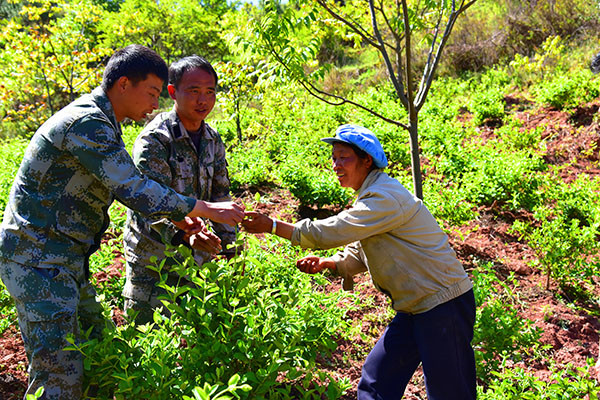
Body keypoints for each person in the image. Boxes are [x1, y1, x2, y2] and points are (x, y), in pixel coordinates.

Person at [0, 45, 244, 400]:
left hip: (65, 260)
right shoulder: (87, 123)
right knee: (60, 374)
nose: (154, 104)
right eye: (151, 93)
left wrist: (186, 219)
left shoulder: (105, 122)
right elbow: (133, 187)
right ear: (124, 84)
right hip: (38, 261)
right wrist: (201, 209)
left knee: (99, 355)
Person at [242, 124, 476, 400]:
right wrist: (331, 263)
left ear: (367, 161)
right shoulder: (371, 197)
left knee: (451, 392)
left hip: (442, 304)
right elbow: (362, 249)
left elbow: (335, 230)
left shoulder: (384, 197)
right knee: (377, 381)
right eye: (334, 158)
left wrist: (272, 225)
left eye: (344, 157)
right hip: (415, 307)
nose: (336, 165)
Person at [122, 55, 236, 323]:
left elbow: (220, 194)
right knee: (147, 337)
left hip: (198, 255)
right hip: (155, 259)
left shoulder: (211, 138)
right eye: (194, 91)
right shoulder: (156, 140)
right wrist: (184, 235)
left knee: (197, 335)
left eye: (210, 92)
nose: (203, 100)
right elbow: (149, 205)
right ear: (172, 92)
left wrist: (229, 245)